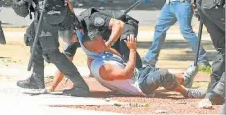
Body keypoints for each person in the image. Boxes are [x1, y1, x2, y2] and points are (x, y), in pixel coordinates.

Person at [52, 33, 207, 99]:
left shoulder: (102, 52)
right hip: (139, 86)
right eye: (100, 40)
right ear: (94, 48)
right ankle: (186, 92)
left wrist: (107, 47)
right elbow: (127, 72)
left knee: (168, 74)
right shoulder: (100, 67)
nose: (105, 40)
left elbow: (120, 59)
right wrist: (133, 49)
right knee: (162, 74)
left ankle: (184, 79)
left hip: (140, 74)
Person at [48, 8, 143, 91]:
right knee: (95, 56)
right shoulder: (74, 36)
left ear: (74, 30)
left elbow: (119, 24)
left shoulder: (91, 19)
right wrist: (53, 86)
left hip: (125, 25)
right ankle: (129, 73)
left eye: (70, 37)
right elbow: (66, 62)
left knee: (125, 44)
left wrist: (109, 44)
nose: (70, 41)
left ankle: (142, 76)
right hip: (109, 37)